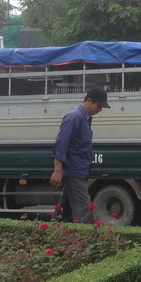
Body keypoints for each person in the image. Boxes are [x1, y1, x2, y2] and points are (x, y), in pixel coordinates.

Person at [50, 87, 110, 222]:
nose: (99, 110)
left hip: (79, 171)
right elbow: (61, 144)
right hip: (74, 171)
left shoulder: (85, 118)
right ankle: (90, 239)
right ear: (89, 101)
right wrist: (57, 170)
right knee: (85, 210)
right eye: (99, 106)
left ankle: (53, 233)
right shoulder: (74, 117)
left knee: (63, 211)